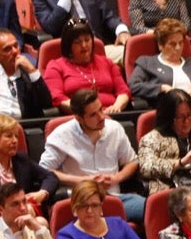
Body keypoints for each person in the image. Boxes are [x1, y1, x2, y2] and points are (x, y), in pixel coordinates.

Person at [40, 89, 144, 219]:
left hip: (114, 199)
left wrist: (117, 177)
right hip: (81, 202)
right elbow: (44, 170)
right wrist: (82, 181)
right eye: (93, 114)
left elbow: (132, 161)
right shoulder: (61, 135)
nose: (101, 117)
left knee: (153, 208)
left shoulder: (114, 128)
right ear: (79, 118)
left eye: (101, 109)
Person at [128, 18, 191, 107]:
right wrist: (161, 88)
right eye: (172, 44)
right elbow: (134, 85)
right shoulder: (147, 63)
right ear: (161, 45)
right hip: (166, 115)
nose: (178, 48)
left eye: (181, 43)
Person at [42, 22, 131, 113]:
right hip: (79, 117)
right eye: (77, 42)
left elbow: (123, 91)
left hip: (112, 113)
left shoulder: (107, 62)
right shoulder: (56, 66)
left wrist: (116, 107)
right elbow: (57, 98)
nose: (84, 45)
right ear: (68, 46)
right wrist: (89, 112)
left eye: (87, 40)